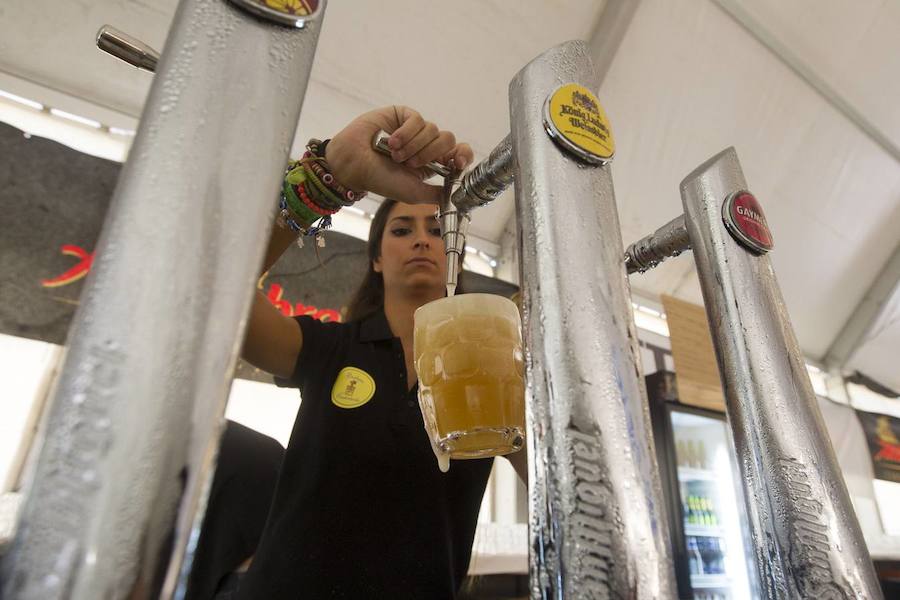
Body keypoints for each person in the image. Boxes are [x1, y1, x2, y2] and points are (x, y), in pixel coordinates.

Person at [234, 106, 525, 599]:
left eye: (436, 230)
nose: (421, 241)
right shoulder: (331, 348)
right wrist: (330, 177)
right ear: (376, 257)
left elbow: (558, 486)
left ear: (454, 251)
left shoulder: (492, 372)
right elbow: (219, 295)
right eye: (401, 229)